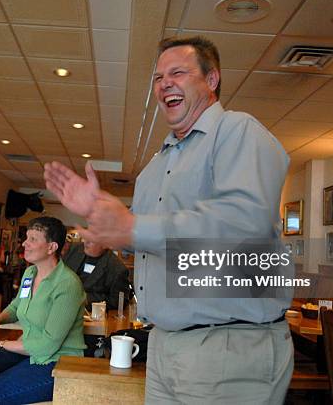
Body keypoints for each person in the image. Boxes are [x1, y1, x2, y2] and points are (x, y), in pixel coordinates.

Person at [44, 36, 293, 404]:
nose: (164, 84)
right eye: (158, 78)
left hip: (228, 345)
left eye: (178, 72)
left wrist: (131, 226)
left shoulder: (238, 131)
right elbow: (144, 238)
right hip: (163, 343)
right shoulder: (153, 170)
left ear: (211, 80)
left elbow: (244, 222)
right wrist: (103, 216)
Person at [0, 217, 86, 405]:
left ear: (51, 247)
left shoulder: (68, 284)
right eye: (26, 238)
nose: (25, 243)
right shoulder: (30, 273)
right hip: (29, 351)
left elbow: (47, 346)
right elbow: (16, 306)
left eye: (33, 239)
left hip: (57, 362)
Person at [64, 240, 131, 310]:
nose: (86, 242)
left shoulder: (117, 270)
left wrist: (82, 298)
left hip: (94, 316)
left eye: (92, 239)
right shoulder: (74, 250)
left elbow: (118, 302)